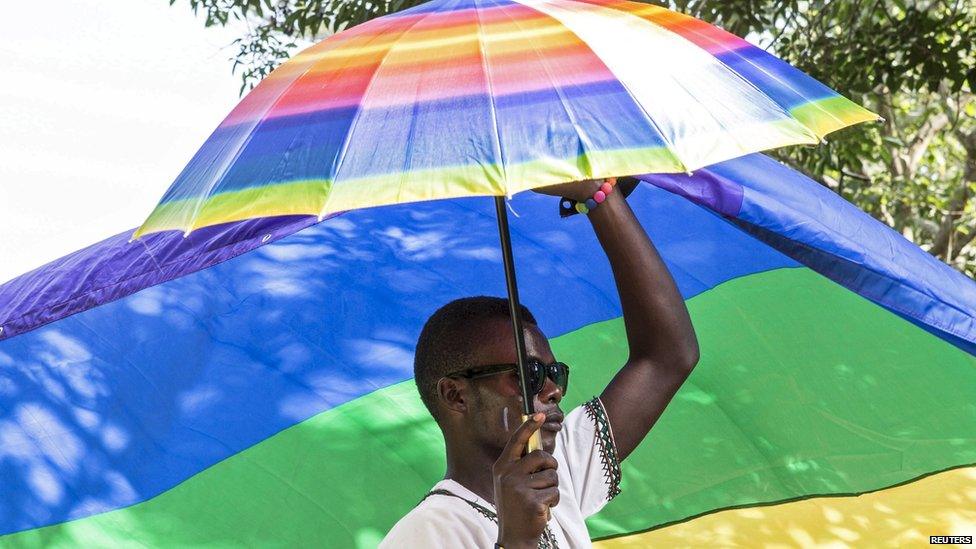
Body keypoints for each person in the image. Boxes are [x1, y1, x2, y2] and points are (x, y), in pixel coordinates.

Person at [380, 178, 700, 548]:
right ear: (456, 395)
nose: (554, 390)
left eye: (554, 372)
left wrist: (599, 196)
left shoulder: (556, 466)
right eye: (530, 374)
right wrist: (516, 539)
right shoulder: (426, 532)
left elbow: (668, 356)